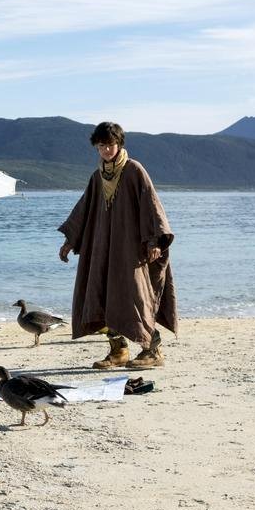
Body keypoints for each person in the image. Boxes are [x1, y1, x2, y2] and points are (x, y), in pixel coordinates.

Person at [57, 122, 176, 369]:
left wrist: (154, 241)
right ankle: (118, 350)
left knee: (135, 295)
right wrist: (70, 240)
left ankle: (152, 349)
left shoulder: (134, 170)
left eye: (110, 145)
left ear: (119, 144)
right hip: (103, 247)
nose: (106, 151)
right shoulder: (97, 176)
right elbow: (84, 210)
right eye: (101, 146)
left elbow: (150, 204)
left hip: (131, 248)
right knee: (102, 294)